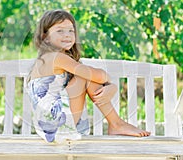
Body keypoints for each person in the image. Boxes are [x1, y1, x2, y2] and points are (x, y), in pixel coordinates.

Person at [27, 9, 150, 143]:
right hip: (57, 121)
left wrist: (111, 86)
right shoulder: (56, 58)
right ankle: (116, 123)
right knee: (86, 76)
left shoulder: (52, 58)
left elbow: (94, 78)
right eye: (60, 31)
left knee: (86, 76)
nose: (67, 35)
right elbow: (97, 76)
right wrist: (110, 82)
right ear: (45, 37)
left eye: (71, 30)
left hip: (49, 126)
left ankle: (116, 124)